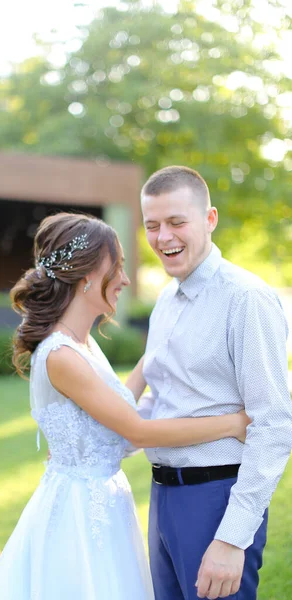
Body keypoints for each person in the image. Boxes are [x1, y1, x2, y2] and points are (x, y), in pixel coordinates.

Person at [0, 212, 250, 600]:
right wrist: (234, 423)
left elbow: (113, 407)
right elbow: (136, 431)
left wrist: (154, 356)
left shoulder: (81, 344)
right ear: (86, 275)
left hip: (103, 501)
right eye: (118, 267)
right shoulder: (62, 356)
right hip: (79, 513)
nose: (124, 279)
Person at [139, 165, 292, 600]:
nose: (163, 237)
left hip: (217, 499)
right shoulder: (166, 301)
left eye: (176, 222)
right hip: (162, 497)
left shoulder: (245, 298)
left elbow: (275, 424)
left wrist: (231, 538)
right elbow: (161, 400)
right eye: (152, 225)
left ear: (209, 220)